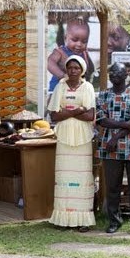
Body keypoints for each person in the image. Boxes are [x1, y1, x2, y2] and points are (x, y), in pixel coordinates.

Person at [95, 62, 130, 237]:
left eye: (118, 72)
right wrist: (126, 124)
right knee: (112, 186)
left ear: (126, 75)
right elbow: (102, 120)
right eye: (112, 72)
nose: (114, 75)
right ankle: (114, 221)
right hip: (110, 149)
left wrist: (116, 136)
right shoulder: (103, 95)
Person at [47, 55, 96, 232]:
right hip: (64, 137)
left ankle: (83, 218)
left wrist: (66, 112)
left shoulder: (88, 87)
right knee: (64, 178)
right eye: (70, 68)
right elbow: (53, 115)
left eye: (76, 68)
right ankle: (63, 219)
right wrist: (77, 110)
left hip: (83, 137)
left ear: (82, 70)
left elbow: (90, 116)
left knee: (82, 178)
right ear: (66, 70)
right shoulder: (60, 86)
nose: (73, 71)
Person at [47, 17, 94, 92]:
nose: (79, 44)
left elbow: (90, 69)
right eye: (75, 40)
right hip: (58, 90)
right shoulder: (60, 52)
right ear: (65, 38)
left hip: (76, 91)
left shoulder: (84, 53)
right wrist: (62, 75)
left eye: (84, 41)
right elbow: (49, 63)